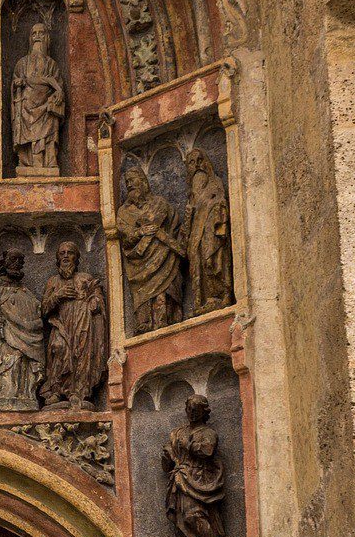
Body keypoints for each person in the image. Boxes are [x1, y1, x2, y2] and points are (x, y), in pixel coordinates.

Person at [162, 394, 233, 537]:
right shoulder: (177, 432)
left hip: (198, 479)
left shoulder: (208, 433)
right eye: (189, 409)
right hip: (179, 480)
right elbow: (167, 464)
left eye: (196, 409)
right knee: (181, 521)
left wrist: (183, 445)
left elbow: (206, 451)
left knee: (193, 516)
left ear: (204, 412)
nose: (192, 413)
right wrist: (167, 455)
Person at [115, 164, 185, 332]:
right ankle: (144, 323)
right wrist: (140, 231)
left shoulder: (160, 204)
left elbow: (175, 227)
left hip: (164, 257)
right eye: (127, 182)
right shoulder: (123, 212)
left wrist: (168, 238)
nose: (130, 185)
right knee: (142, 294)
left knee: (164, 294)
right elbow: (125, 237)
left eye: (133, 180)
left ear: (143, 181)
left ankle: (165, 319)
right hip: (138, 262)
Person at [40, 241, 107, 406]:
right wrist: (58, 295)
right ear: (57, 258)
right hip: (61, 324)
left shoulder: (85, 278)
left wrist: (94, 302)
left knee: (81, 355)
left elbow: (97, 298)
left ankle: (78, 392)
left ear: (76, 258)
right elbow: (43, 310)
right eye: (61, 253)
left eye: (69, 253)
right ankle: (56, 390)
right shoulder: (53, 282)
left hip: (82, 323)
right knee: (58, 350)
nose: (65, 256)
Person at [0, 248, 44, 410]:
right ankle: (4, 394)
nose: (16, 264)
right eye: (12, 260)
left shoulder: (25, 290)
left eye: (19, 261)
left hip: (26, 336)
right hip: (6, 337)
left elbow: (37, 308)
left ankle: (25, 395)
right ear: (5, 263)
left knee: (23, 365)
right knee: (9, 363)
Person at [10, 19, 66, 175]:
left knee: (49, 125)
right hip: (26, 105)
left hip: (46, 108)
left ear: (46, 37)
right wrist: (17, 83)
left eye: (41, 33)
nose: (37, 36)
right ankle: (28, 162)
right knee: (25, 128)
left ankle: (48, 161)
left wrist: (56, 96)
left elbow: (59, 86)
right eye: (34, 33)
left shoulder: (52, 64)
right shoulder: (22, 63)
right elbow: (15, 83)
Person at [184, 148, 234, 313]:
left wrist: (212, 207)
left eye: (200, 160)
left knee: (212, 259)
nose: (197, 165)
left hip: (212, 230)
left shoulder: (215, 183)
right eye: (192, 163)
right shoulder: (191, 196)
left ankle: (223, 295)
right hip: (197, 235)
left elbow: (221, 204)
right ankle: (204, 300)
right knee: (198, 262)